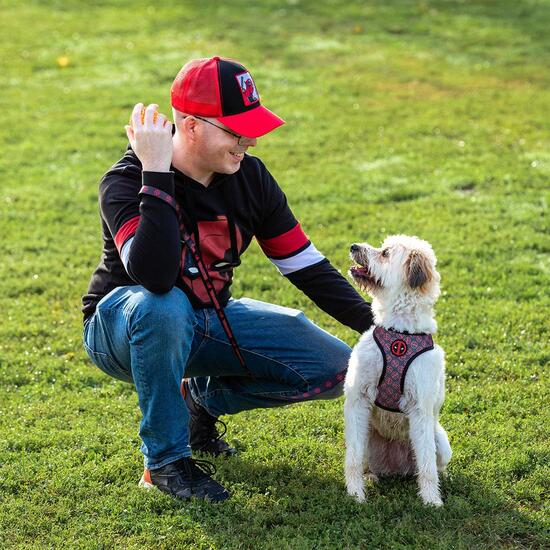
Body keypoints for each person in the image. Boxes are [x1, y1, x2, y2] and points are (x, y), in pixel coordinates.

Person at [81, 56, 373, 503]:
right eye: (236, 131)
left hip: (205, 320)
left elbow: (305, 265)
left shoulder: (250, 177)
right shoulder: (124, 181)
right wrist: (157, 171)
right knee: (163, 307)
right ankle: (165, 462)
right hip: (121, 330)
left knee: (338, 368)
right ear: (191, 125)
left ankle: (200, 402)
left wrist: (381, 327)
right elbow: (155, 278)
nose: (250, 141)